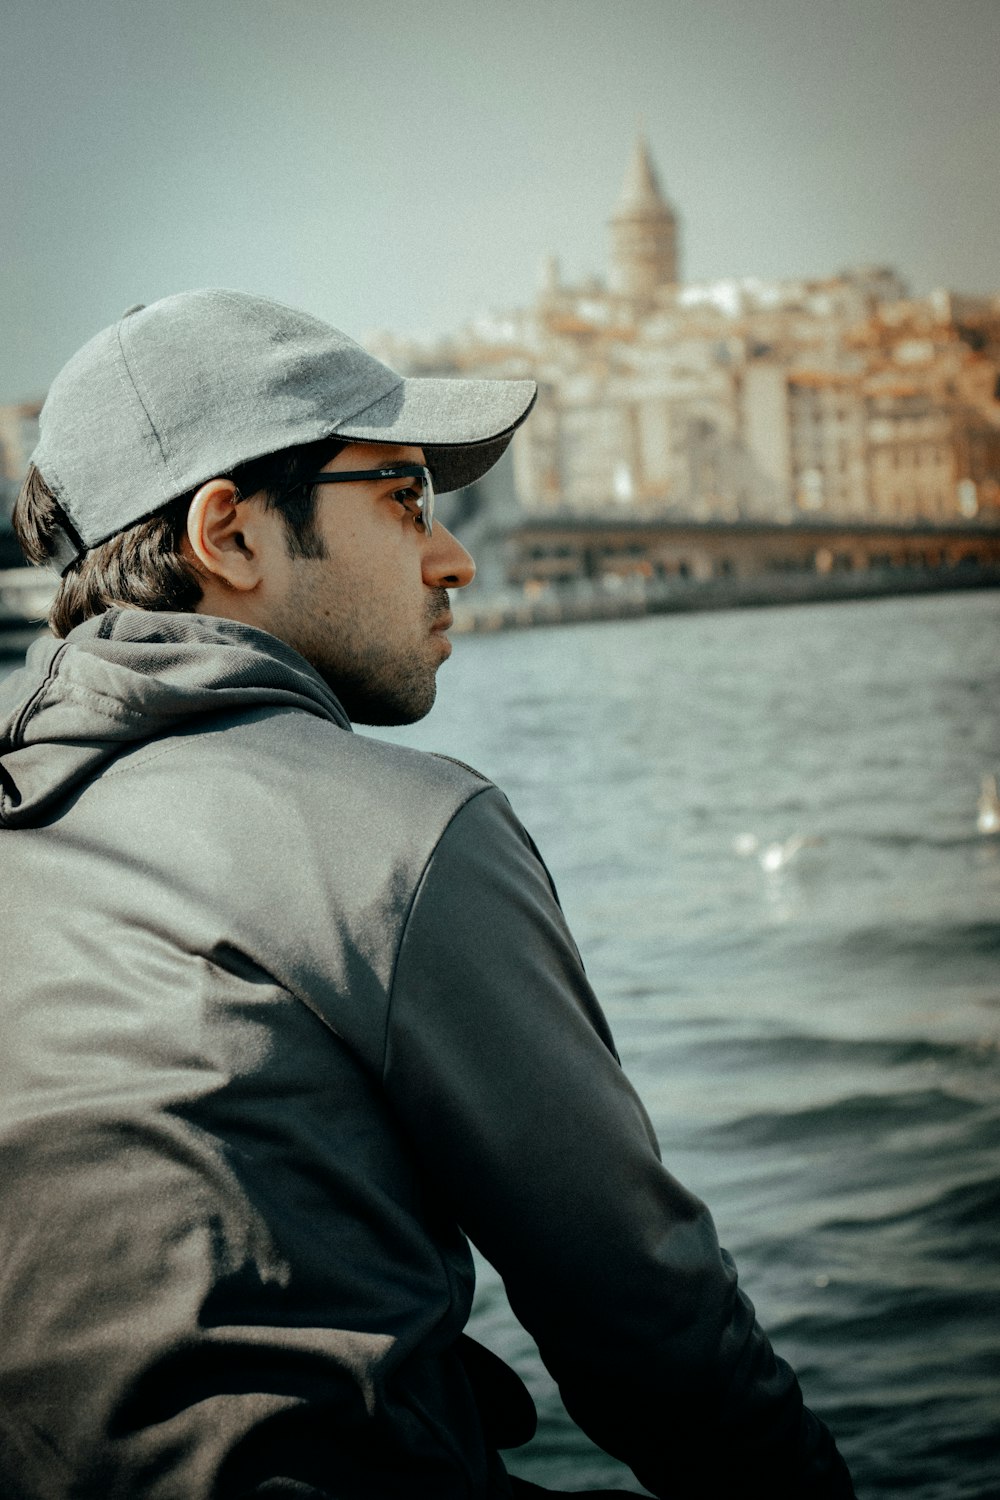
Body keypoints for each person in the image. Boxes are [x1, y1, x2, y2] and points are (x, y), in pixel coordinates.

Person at [0, 290, 855, 1500]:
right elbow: (649, 1328)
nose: (450, 556)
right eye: (404, 502)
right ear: (230, 535)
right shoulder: (399, 838)